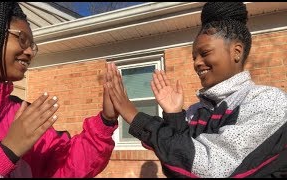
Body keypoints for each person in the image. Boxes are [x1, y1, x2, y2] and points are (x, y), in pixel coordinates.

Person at [104, 2, 287, 178]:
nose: (197, 63)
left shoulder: (269, 102)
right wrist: (175, 116)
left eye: (205, 53)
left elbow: (211, 168)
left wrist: (133, 116)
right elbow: (177, 167)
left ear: (236, 52)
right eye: (194, 57)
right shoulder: (196, 112)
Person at [0, 2, 118, 178]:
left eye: (33, 46)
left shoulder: (23, 112)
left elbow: (64, 167)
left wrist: (106, 121)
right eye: (22, 39)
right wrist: (7, 151)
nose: (30, 51)